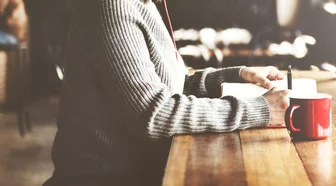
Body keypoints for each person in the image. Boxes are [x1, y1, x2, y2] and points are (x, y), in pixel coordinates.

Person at [43, 0, 290, 185]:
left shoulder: (144, 4)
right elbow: (154, 114)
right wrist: (259, 110)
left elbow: (173, 86)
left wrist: (238, 75)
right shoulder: (111, 6)